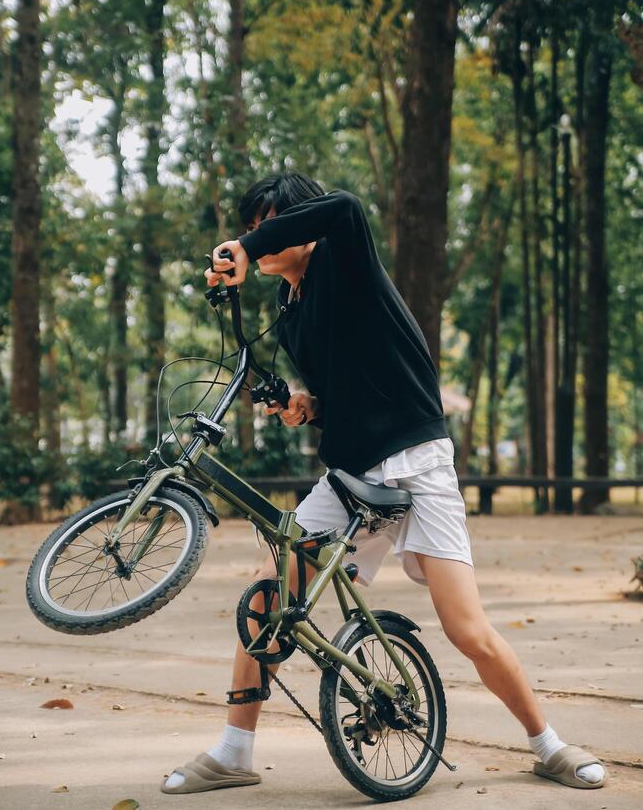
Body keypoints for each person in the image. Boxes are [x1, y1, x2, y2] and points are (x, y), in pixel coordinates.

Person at [161, 172, 605, 795]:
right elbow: (346, 392)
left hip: (419, 462)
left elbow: (341, 206)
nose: (261, 239)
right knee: (267, 595)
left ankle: (548, 745)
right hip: (350, 475)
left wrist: (244, 242)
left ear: (302, 229)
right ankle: (234, 751)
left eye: (269, 224)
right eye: (254, 226)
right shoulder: (291, 316)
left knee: (466, 630)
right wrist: (306, 406)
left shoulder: (345, 263)